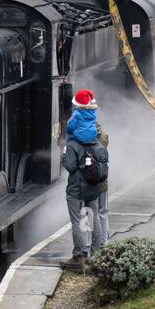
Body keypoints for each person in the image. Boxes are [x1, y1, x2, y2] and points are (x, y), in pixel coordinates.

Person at [61, 89, 110, 270]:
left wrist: (64, 157)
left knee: (76, 220)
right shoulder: (96, 140)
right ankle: (97, 255)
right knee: (94, 217)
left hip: (76, 187)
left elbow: (71, 167)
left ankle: (79, 256)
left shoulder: (73, 144)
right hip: (93, 185)